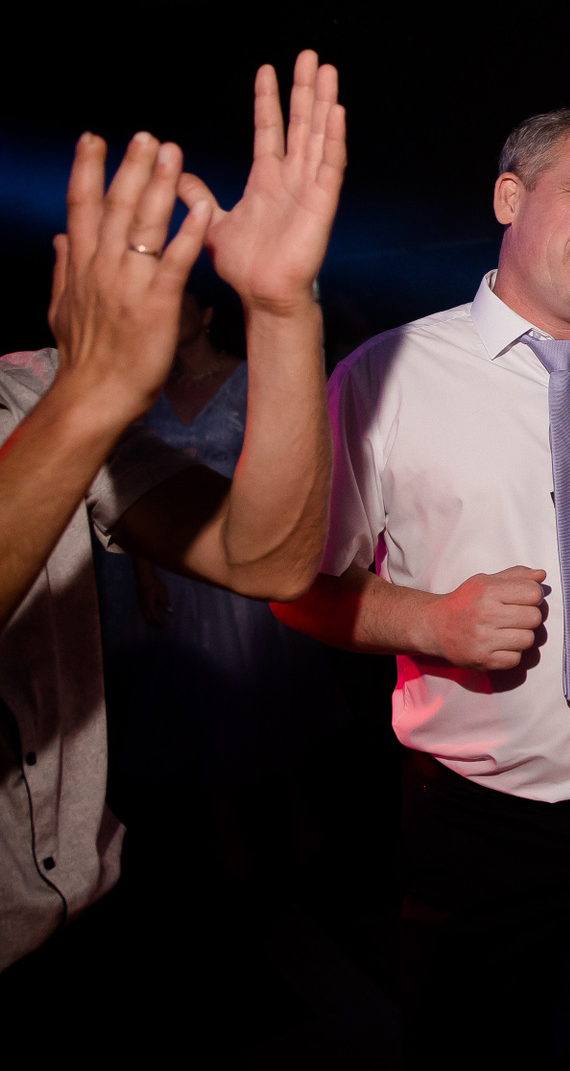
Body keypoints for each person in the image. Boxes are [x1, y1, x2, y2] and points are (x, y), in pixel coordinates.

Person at [273, 107, 570, 1069]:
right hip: (478, 817)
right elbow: (294, 587)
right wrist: (433, 621)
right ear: (509, 197)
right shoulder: (386, 376)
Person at [0, 52, 344, 978]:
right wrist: (90, 392)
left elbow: (269, 557)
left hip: (78, 920)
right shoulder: (67, 396)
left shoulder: (28, 391)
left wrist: (280, 307)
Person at [98, 267, 346, 815]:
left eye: (180, 300)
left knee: (262, 694)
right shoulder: (146, 391)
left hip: (241, 554)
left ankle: (301, 819)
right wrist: (143, 570)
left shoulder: (248, 379)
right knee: (190, 705)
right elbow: (121, 486)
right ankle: (228, 837)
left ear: (207, 313)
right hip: (170, 560)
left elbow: (290, 462)